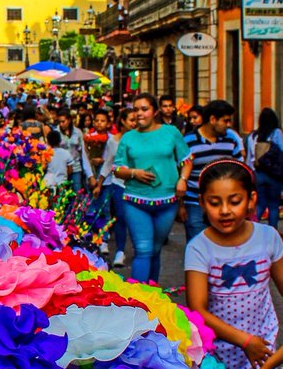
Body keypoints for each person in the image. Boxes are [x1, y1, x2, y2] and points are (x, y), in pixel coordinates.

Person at [185, 159, 283, 369]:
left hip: (262, 358)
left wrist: (267, 359)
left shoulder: (269, 238)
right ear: (202, 203)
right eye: (215, 202)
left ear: (251, 200)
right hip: (217, 359)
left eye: (235, 201)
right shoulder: (199, 248)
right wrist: (244, 341)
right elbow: (197, 309)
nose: (225, 210)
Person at [113, 92, 192, 284]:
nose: (139, 113)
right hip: (136, 202)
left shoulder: (171, 132)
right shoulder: (128, 138)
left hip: (167, 202)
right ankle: (137, 298)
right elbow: (117, 169)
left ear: (155, 111)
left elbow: (187, 160)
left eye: (144, 109)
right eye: (136, 110)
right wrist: (134, 173)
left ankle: (152, 293)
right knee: (143, 250)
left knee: (155, 250)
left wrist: (183, 179)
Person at [181, 100, 242, 242]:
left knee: (223, 244)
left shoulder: (231, 140)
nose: (229, 125)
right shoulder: (189, 141)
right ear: (213, 119)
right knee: (197, 244)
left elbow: (239, 169)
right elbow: (180, 173)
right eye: (225, 121)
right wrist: (180, 205)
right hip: (194, 202)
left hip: (224, 204)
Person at [93, 107, 137, 267]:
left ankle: (139, 248)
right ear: (123, 121)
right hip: (119, 184)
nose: (135, 123)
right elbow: (108, 163)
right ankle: (120, 251)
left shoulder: (141, 138)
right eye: (131, 120)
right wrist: (99, 184)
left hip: (138, 185)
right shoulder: (113, 141)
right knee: (120, 216)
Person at [248, 107, 283, 228]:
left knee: (260, 204)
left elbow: (249, 158)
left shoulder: (253, 136)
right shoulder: (276, 133)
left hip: (258, 174)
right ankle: (272, 231)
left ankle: (253, 227)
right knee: (273, 206)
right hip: (274, 174)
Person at [57, 107, 93, 191]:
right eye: (60, 122)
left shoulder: (78, 132)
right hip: (62, 168)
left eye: (63, 121)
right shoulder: (57, 132)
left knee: (77, 192)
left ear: (69, 120)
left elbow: (82, 151)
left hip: (76, 167)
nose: (61, 124)